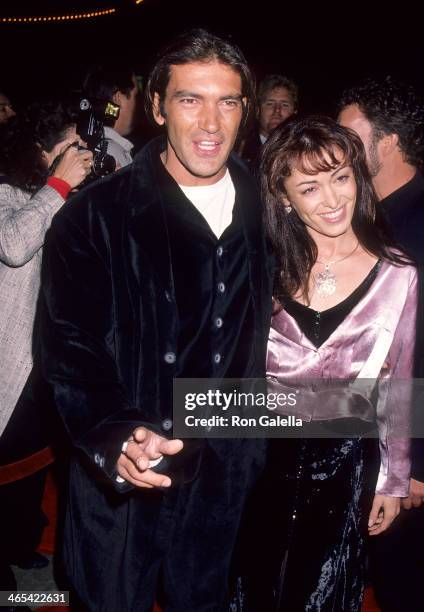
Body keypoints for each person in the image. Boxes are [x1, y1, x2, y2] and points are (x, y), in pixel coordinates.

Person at [39, 29, 272, 611]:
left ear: (246, 109)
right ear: (158, 106)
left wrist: (395, 441)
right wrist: (114, 432)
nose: (210, 123)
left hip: (227, 471)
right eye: (191, 99)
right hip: (130, 470)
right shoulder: (94, 215)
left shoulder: (274, 208)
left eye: (228, 101)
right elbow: (70, 343)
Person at [238, 116, 417, 612]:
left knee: (321, 594)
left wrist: (393, 481)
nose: (333, 199)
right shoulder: (262, 265)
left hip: (343, 466)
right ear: (284, 198)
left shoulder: (397, 273)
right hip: (258, 462)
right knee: (249, 587)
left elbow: (399, 385)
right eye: (310, 187)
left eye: (340, 177)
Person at [338, 77, 424, 611]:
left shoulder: (414, 225)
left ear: (387, 143)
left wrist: (416, 467)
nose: (338, 146)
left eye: (350, 136)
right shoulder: (378, 215)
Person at [0, 100, 92, 593]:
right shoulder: (9, 191)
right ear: (41, 151)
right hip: (7, 360)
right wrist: (58, 184)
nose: (82, 155)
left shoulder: (59, 197)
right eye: (71, 147)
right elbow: (14, 244)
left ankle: (16, 547)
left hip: (44, 359)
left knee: (31, 464)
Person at [82, 64, 138, 168]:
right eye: (135, 96)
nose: (137, 103)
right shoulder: (112, 155)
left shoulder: (89, 145)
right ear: (118, 98)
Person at [238, 74, 298, 166]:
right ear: (258, 110)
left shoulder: (304, 150)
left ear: (294, 112)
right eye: (270, 104)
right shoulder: (238, 149)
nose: (277, 110)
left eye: (284, 105)